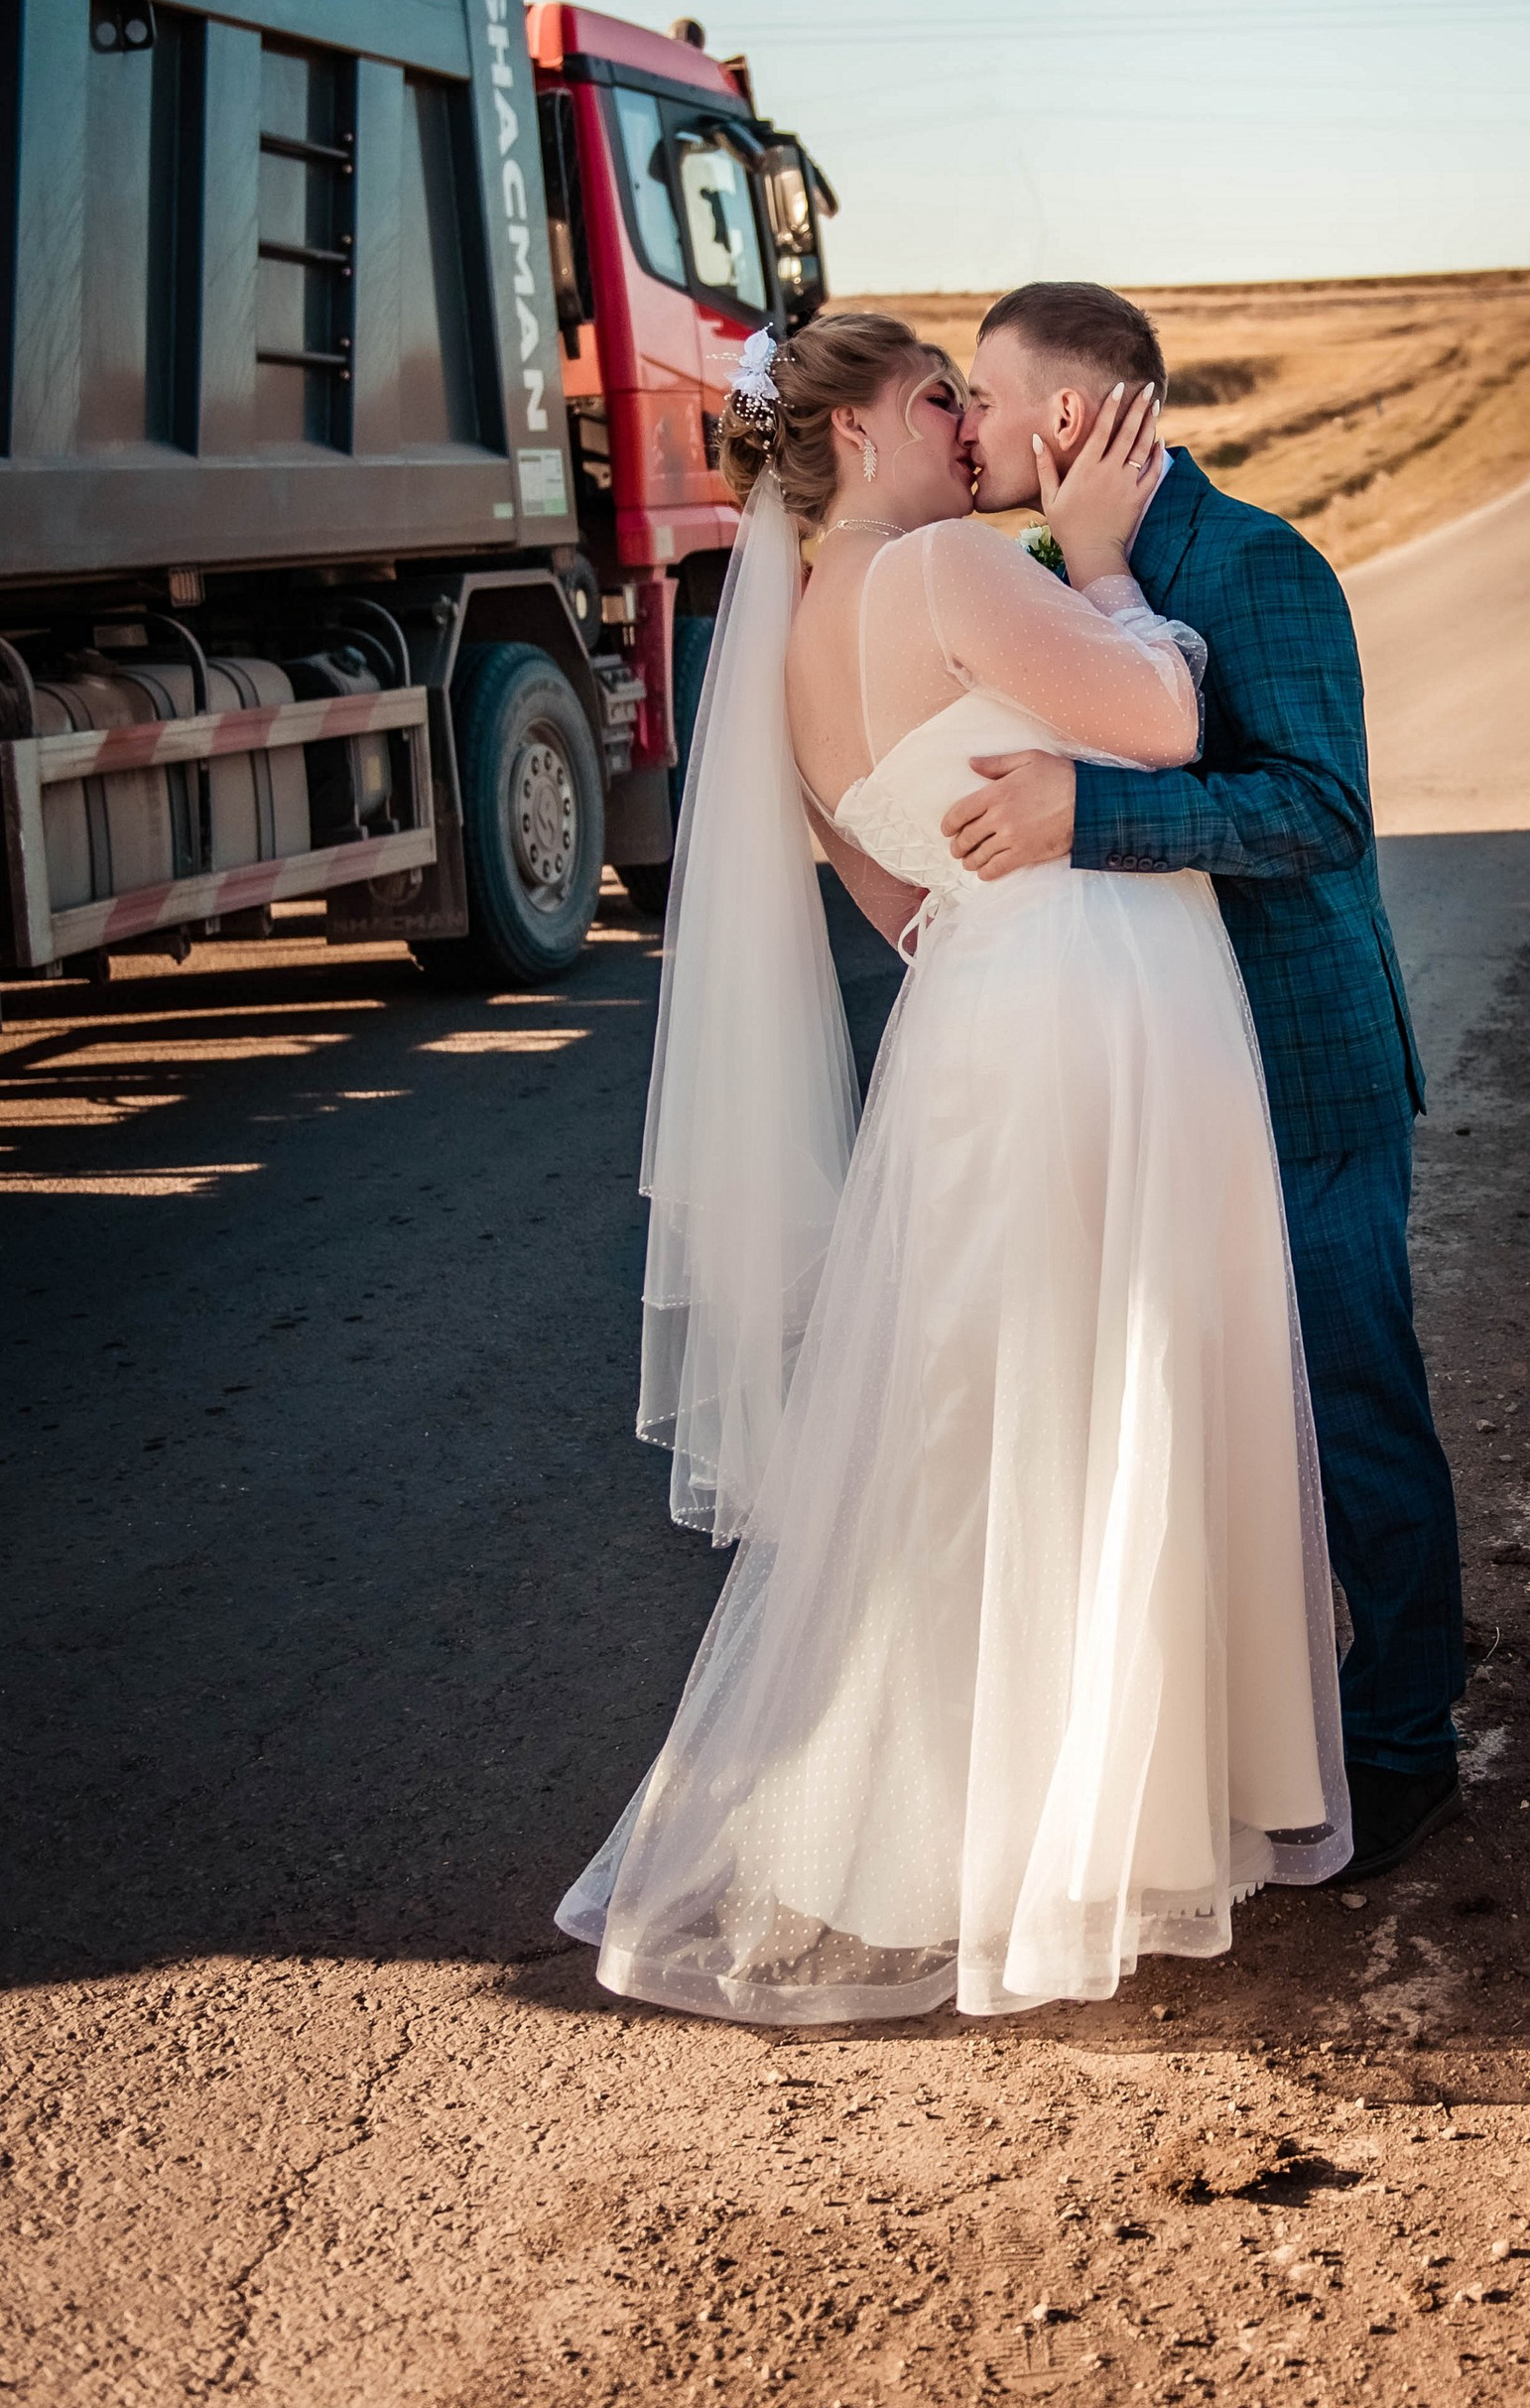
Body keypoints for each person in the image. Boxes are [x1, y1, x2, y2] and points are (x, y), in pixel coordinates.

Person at [557, 312, 1349, 2022]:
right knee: (1107, 1379)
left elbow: (897, 905)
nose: (962, 427)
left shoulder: (786, 653)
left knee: (983, 1419)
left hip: (972, 1029)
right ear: (853, 436)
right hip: (1094, 1004)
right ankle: (1109, 1821)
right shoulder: (945, 577)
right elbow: (1154, 723)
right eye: (938, 398)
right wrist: (1101, 566)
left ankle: (929, 1831)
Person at [952, 283, 1465, 1881]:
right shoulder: (1047, 575)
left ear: (1068, 415)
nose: (966, 424)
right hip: (1163, 1077)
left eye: (983, 394)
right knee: (1211, 1427)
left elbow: (1321, 811)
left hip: (1304, 1065)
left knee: (1348, 1402)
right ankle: (1261, 1733)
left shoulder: (1261, 565)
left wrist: (1084, 819)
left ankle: (1403, 1740)